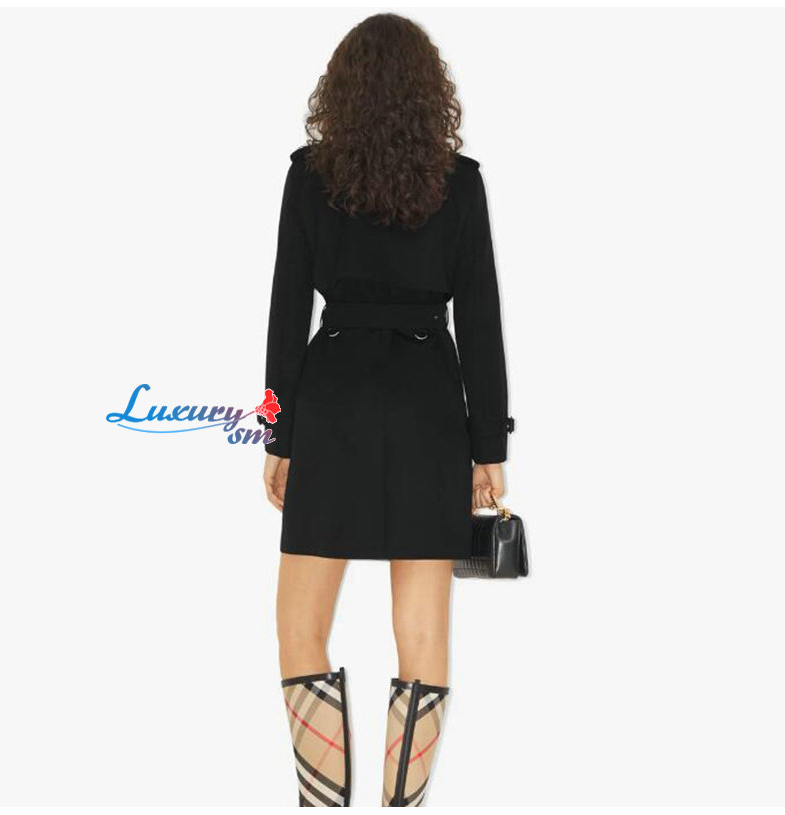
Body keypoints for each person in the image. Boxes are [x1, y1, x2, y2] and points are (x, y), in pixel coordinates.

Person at [257, 13, 514, 807]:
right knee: (424, 630)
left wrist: (277, 433)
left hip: (330, 401)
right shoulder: (458, 182)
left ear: (340, 89)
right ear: (428, 93)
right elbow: (480, 319)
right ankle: (401, 807)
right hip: (428, 407)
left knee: (298, 625)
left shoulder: (309, 177)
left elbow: (286, 314)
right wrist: (488, 447)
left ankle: (323, 802)